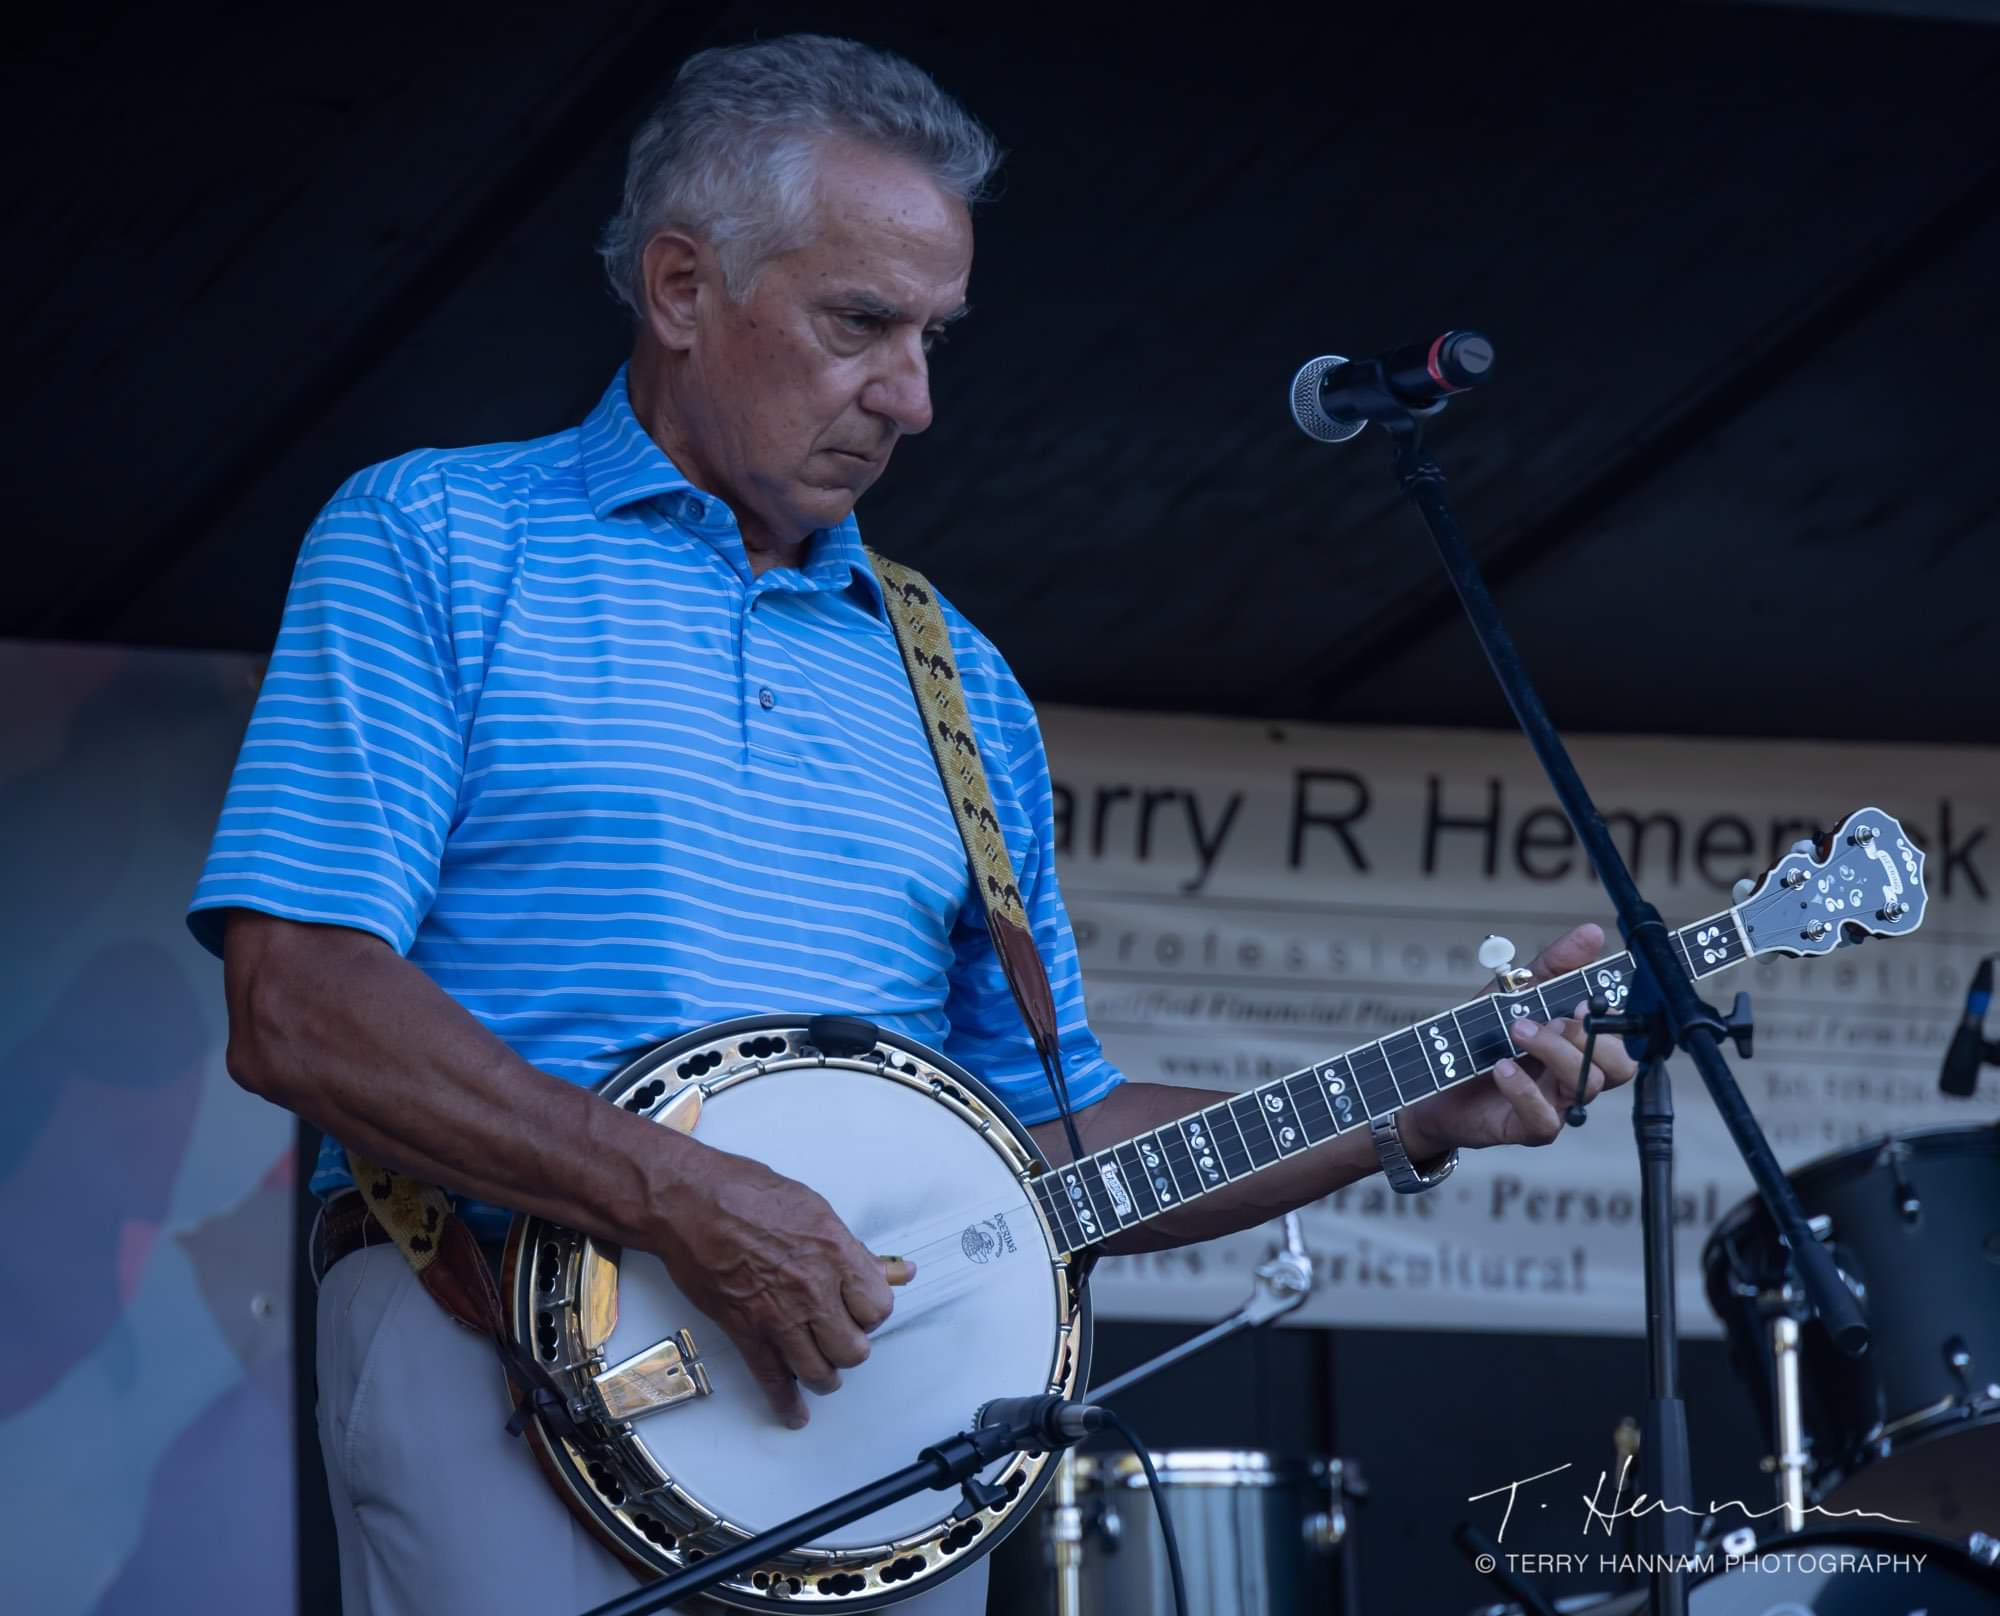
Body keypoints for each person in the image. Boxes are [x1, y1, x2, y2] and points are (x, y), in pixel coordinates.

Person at [190, 33, 1637, 1616]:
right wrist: (677, 1197)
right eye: (861, 324)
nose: (915, 398)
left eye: (936, 335)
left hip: (873, 1438)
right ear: (680, 289)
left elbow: (1053, 1141)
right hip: (501, 1354)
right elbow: (299, 1002)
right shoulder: (436, 538)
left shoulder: (951, 671)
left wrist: (1412, 1108)